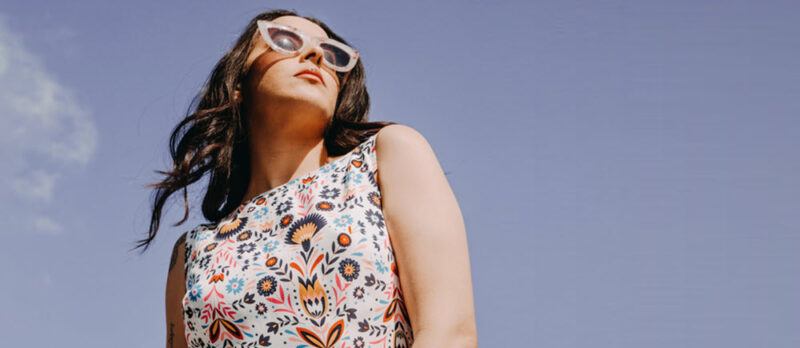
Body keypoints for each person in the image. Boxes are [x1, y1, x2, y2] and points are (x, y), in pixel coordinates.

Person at [135, 8, 476, 348]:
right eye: (284, 40)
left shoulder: (386, 158)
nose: (315, 55)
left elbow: (448, 333)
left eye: (333, 55)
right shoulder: (194, 253)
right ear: (237, 84)